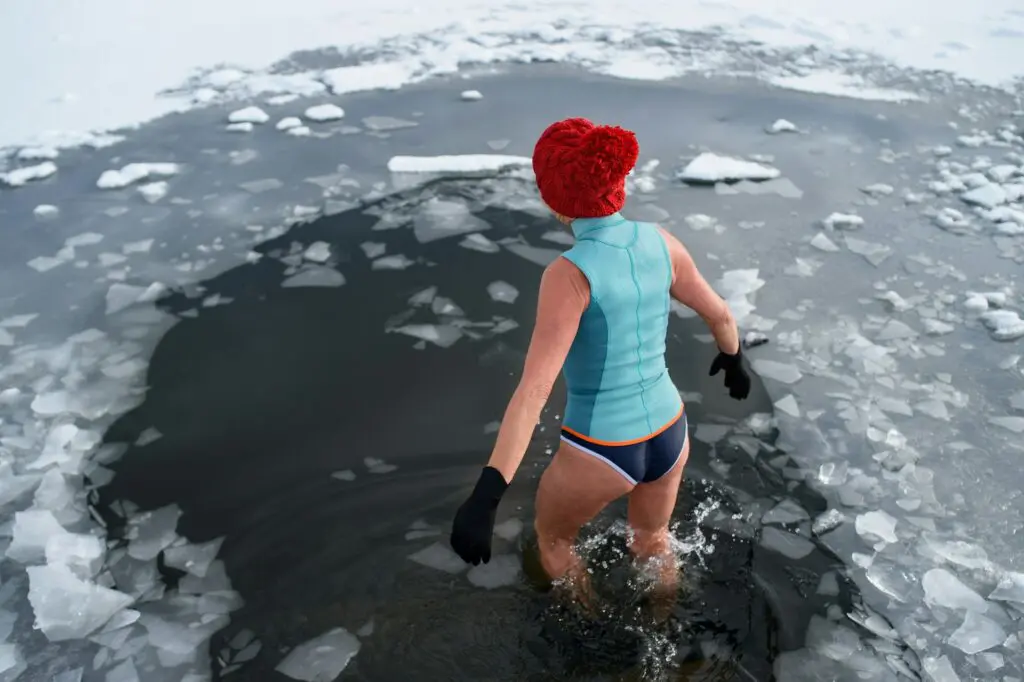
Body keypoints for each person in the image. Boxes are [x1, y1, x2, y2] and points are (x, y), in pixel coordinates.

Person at [449, 117, 750, 605]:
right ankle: (664, 636)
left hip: (602, 447)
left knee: (554, 541)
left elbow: (534, 392)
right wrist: (735, 361)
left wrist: (486, 496)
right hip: (671, 432)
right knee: (653, 541)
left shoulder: (568, 275)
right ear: (617, 183)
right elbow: (720, 313)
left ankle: (592, 650)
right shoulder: (662, 241)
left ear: (552, 199)